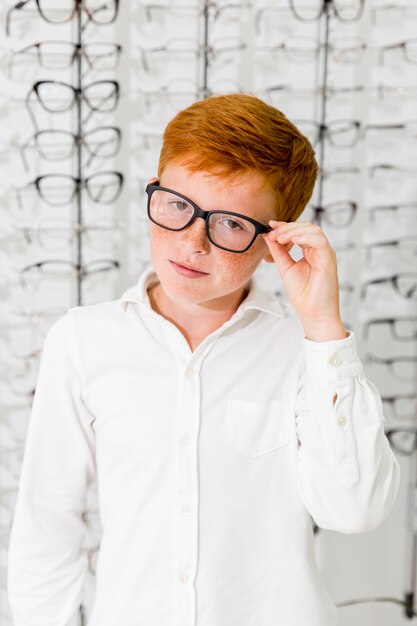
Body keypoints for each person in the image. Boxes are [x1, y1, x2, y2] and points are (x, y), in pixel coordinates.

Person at [7, 93, 400, 626]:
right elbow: (47, 525)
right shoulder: (83, 340)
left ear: (273, 242)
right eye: (176, 205)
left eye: (232, 224)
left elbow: (356, 512)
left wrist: (324, 328)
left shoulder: (303, 350)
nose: (193, 243)